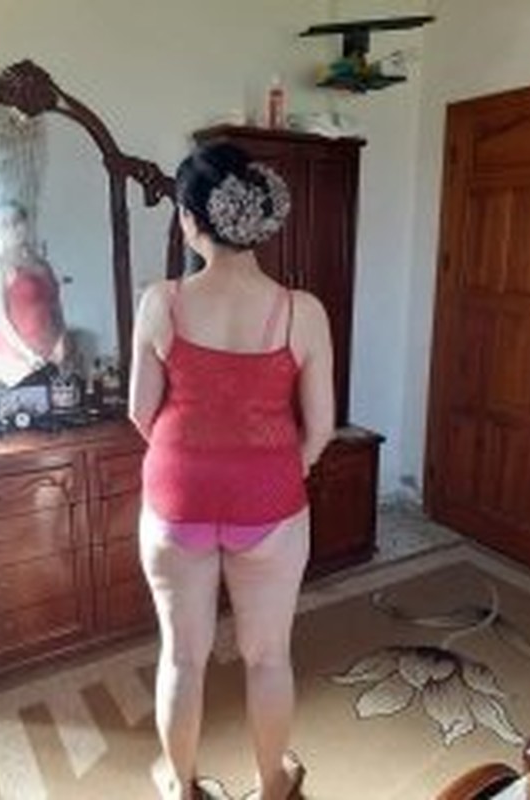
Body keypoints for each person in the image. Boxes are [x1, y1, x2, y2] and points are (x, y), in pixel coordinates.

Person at [129, 142, 334, 800]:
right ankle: (273, 785)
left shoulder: (160, 301)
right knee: (268, 657)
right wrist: (281, 471)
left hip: (175, 498)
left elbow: (140, 412)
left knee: (182, 657)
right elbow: (321, 427)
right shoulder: (303, 311)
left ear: (191, 218)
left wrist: (189, 463)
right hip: (269, 503)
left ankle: (181, 784)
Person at [0, 200, 65, 387]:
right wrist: (27, 353)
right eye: (5, 224)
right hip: (15, 356)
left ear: (26, 223)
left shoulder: (43, 264)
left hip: (49, 351)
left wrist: (61, 341)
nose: (12, 228)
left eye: (17, 221)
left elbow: (56, 308)